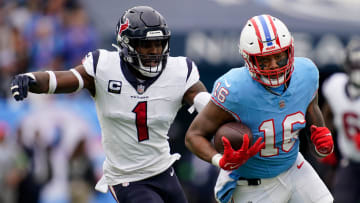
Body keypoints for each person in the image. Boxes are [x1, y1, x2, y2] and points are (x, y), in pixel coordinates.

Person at [10, 5, 210, 203]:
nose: (154, 51)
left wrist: (222, 113)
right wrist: (30, 79)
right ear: (127, 44)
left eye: (159, 43)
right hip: (126, 177)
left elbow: (207, 105)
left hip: (163, 170)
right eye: (146, 45)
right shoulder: (104, 68)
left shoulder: (178, 70)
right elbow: (62, 80)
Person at [185, 14, 334, 203]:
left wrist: (322, 144)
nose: (273, 66)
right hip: (254, 183)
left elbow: (315, 130)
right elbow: (194, 136)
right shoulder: (235, 89)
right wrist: (220, 161)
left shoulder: (307, 73)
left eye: (278, 56)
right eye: (264, 60)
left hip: (294, 166)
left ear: (290, 51)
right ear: (248, 60)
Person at [321, 40, 360, 203]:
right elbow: (329, 111)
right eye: (356, 65)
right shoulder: (335, 86)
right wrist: (326, 135)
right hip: (349, 161)